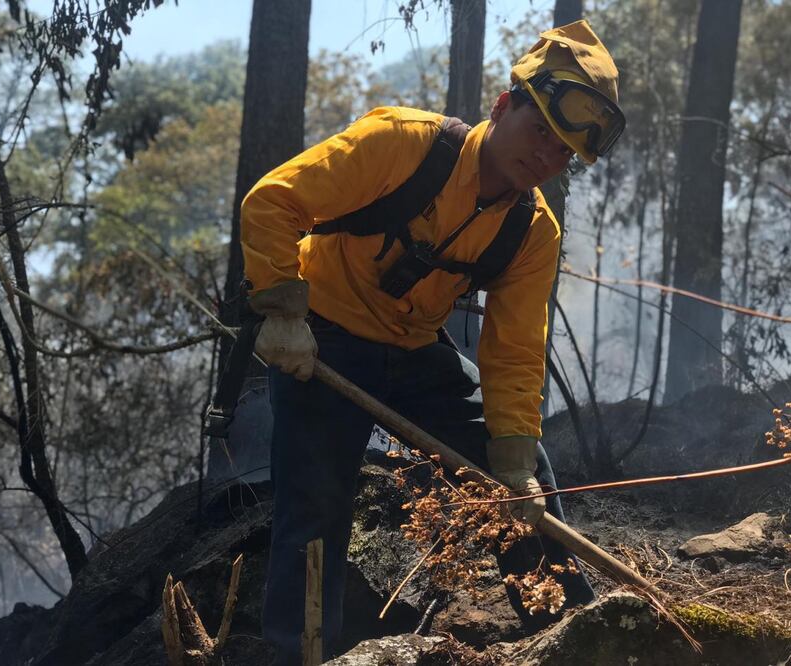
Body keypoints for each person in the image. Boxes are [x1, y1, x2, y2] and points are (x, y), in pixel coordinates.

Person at [239, 19, 625, 664]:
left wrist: (512, 456)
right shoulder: (400, 144)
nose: (546, 157)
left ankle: (571, 639)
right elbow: (272, 201)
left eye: (563, 153)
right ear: (502, 106)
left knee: (521, 483)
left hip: (416, 352)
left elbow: (515, 349)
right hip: (320, 343)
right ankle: (301, 656)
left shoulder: (533, 232)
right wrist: (282, 313)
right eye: (540, 131)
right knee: (315, 508)